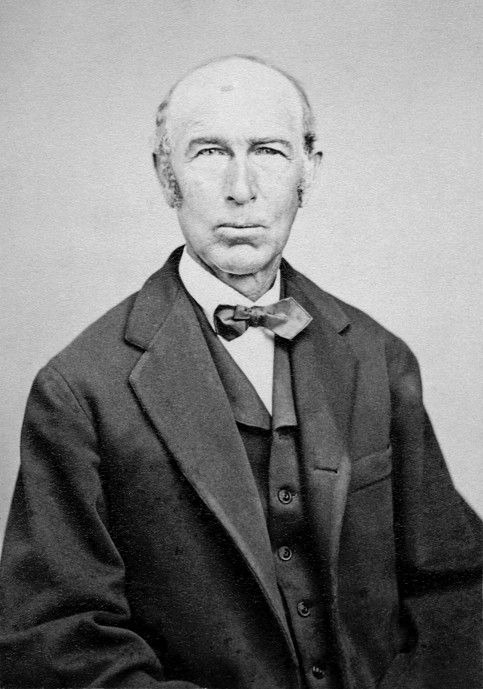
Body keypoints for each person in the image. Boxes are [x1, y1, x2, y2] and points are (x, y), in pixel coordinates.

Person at [0, 55, 480, 689]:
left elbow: (458, 592)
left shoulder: (377, 356)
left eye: (269, 152)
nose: (241, 188)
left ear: (308, 173)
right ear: (166, 176)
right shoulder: (79, 389)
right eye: (209, 153)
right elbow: (56, 640)